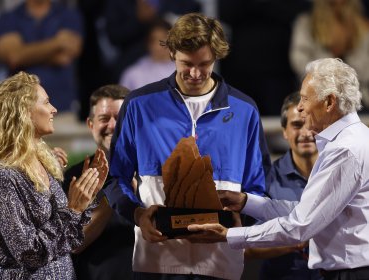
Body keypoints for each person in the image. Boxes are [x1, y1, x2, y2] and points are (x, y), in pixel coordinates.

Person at [105, 12, 271, 280]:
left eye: (204, 64)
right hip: (156, 262)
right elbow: (116, 177)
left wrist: (243, 224)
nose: (195, 73)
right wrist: (137, 214)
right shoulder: (138, 105)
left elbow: (259, 184)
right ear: (172, 53)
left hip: (222, 260)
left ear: (217, 56)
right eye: (186, 63)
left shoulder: (244, 110)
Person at [187, 58, 369, 279]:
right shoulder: (354, 139)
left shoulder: (344, 150)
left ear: (329, 102)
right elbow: (305, 211)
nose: (300, 107)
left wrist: (229, 235)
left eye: (304, 98)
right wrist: (246, 202)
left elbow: (300, 226)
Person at [0, 71, 108, 279]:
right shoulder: (4, 178)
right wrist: (72, 209)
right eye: (47, 102)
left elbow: (69, 239)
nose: (54, 109)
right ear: (24, 111)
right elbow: (29, 254)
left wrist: (86, 197)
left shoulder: (43, 163)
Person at [245, 92, 321, 280]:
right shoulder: (264, 179)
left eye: (310, 123)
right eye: (296, 125)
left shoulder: (344, 172)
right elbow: (248, 247)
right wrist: (299, 239)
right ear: (284, 131)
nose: (305, 133)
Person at [63, 84, 135, 280]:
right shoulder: (73, 177)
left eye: (120, 118)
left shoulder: (156, 171)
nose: (112, 125)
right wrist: (119, 189)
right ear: (90, 124)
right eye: (104, 118)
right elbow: (74, 244)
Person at [0, 0, 83, 112]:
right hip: (19, 109)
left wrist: (24, 54)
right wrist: (57, 43)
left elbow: (65, 57)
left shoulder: (67, 15)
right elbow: (13, 57)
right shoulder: (9, 17)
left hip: (61, 107)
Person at [290, 0, 369, 110]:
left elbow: (365, 72)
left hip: (358, 98)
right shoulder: (306, 23)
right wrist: (330, 59)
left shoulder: (363, 26)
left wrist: (348, 47)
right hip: (316, 94)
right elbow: (299, 60)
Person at [119, 18, 175, 90]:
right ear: (147, 43)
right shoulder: (133, 74)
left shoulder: (184, 71)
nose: (158, 46)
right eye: (153, 40)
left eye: (163, 40)